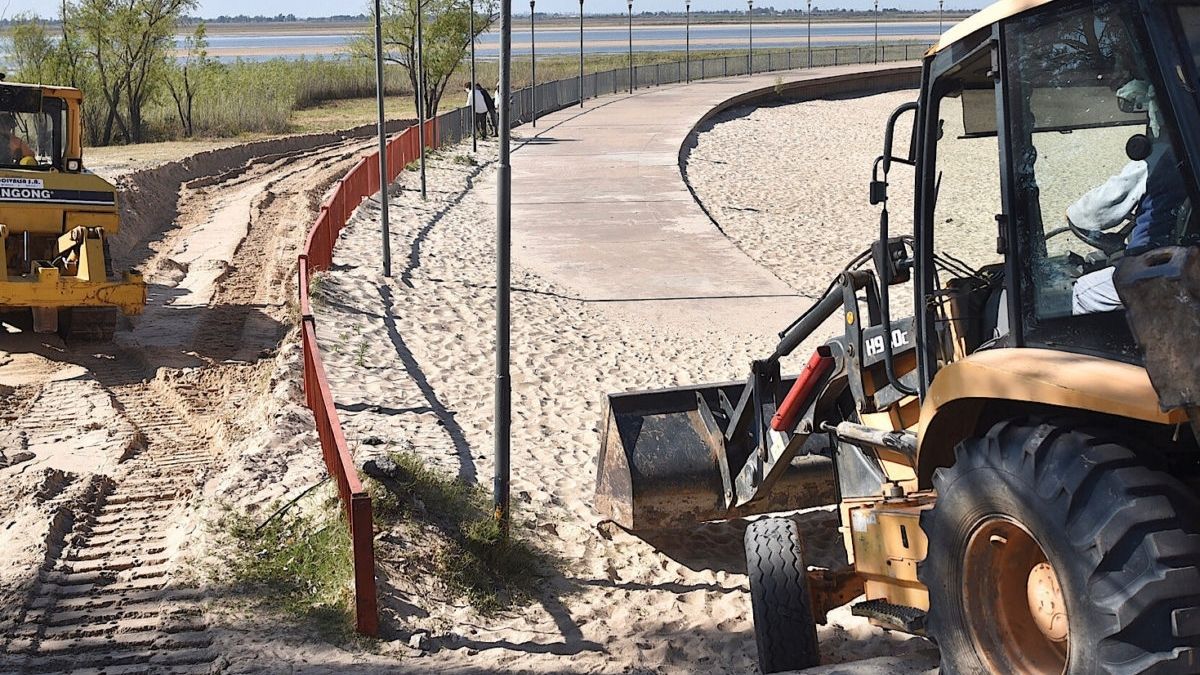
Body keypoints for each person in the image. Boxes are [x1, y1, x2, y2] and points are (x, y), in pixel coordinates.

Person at [1071, 79, 1189, 314]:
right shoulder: (1191, 149)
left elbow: (1090, 215)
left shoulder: (1157, 160)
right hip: (1186, 262)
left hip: (1162, 267)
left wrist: (1070, 214)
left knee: (1084, 290)